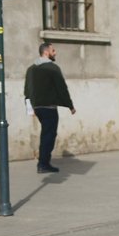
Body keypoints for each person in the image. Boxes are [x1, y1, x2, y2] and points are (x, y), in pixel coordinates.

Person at [23, 42, 75, 173]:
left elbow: (27, 89)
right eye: (53, 50)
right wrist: (70, 105)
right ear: (46, 52)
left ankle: (43, 162)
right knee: (49, 135)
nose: (55, 53)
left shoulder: (31, 69)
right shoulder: (53, 68)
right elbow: (62, 88)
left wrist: (30, 107)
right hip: (49, 108)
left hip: (37, 108)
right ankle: (43, 164)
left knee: (45, 133)